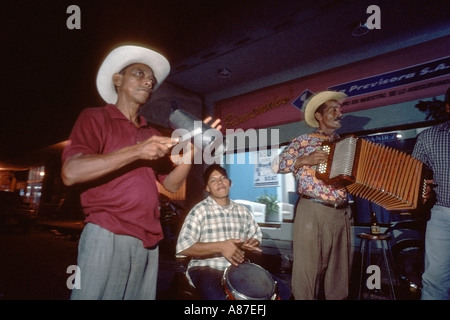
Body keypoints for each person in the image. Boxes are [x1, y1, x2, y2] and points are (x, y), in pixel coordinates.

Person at [61, 44, 220, 300]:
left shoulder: (151, 133)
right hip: (108, 232)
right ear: (118, 79)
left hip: (148, 239)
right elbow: (71, 171)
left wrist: (190, 151)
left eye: (151, 79)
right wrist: (136, 151)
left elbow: (169, 183)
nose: (149, 82)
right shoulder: (96, 117)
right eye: (139, 74)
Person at [273, 90, 353, 300]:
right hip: (313, 211)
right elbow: (277, 164)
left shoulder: (346, 145)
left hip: (342, 214)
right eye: (333, 110)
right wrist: (302, 160)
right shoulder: (303, 141)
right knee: (308, 272)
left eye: (340, 109)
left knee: (340, 275)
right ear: (319, 116)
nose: (339, 113)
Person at [175, 164, 263, 300]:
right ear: (207, 188)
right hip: (206, 268)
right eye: (213, 180)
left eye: (223, 178)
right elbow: (183, 247)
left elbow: (255, 235)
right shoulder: (199, 211)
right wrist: (221, 246)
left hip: (237, 269)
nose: (220, 182)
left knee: (279, 291)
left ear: (230, 183)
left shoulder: (243, 211)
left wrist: (252, 242)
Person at [411, 88, 450, 300]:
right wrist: (421, 190)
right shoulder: (428, 137)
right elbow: (412, 177)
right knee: (435, 279)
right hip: (441, 216)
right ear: (448, 107)